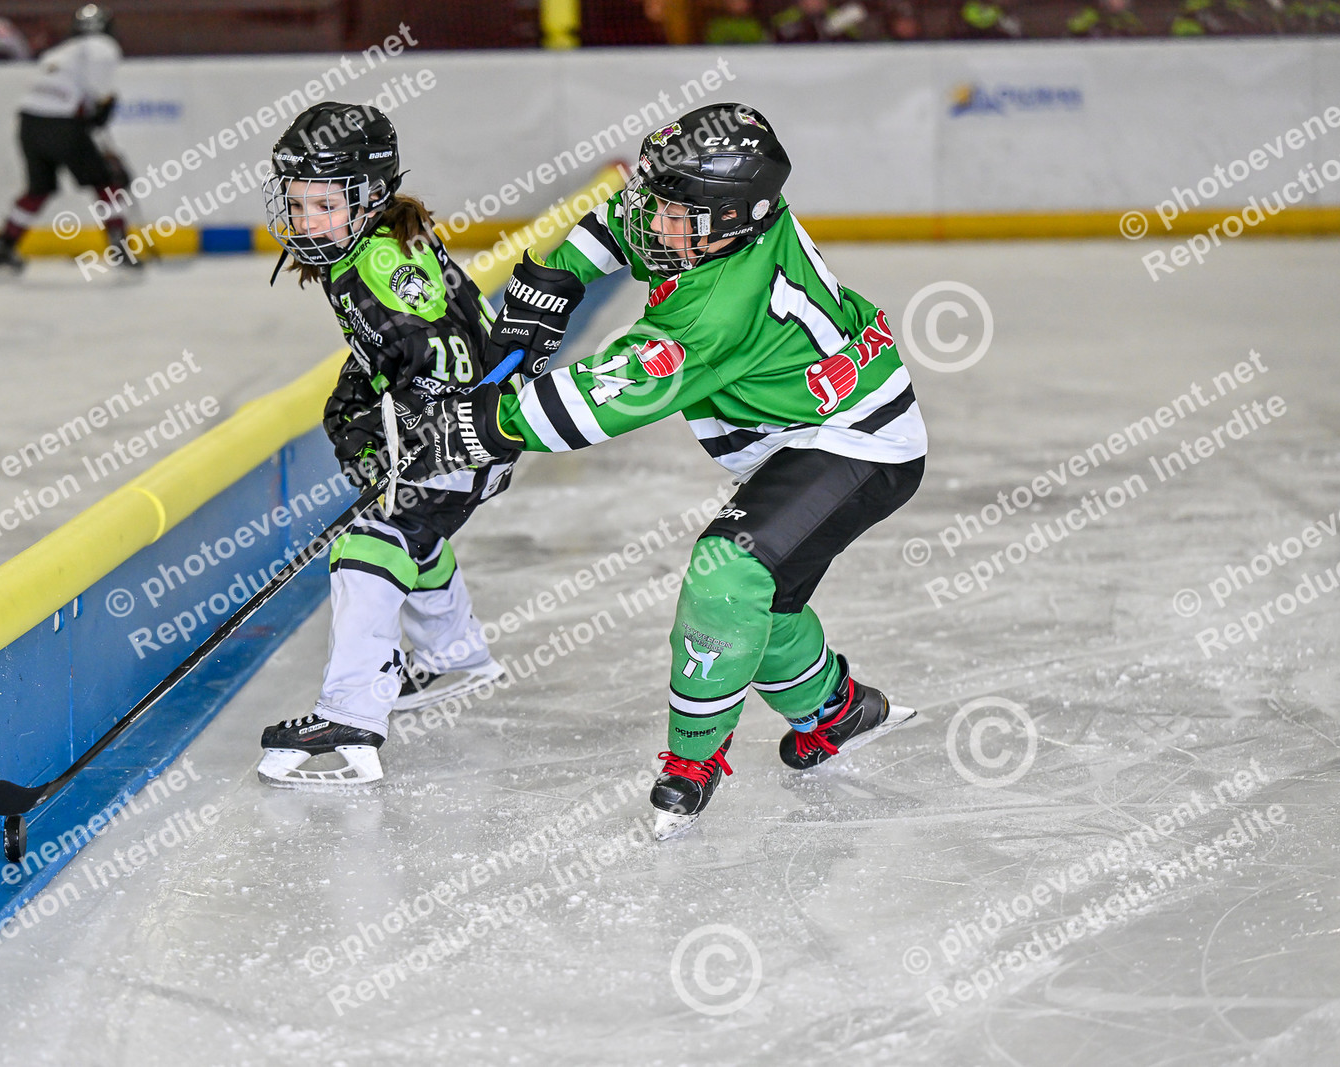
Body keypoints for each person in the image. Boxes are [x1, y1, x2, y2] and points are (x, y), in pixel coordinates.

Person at [392, 103, 927, 838]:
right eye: (659, 201)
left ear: (732, 221)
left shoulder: (716, 306)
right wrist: (555, 278)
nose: (653, 222)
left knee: (729, 573)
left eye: (676, 213)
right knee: (765, 606)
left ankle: (692, 761)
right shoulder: (707, 229)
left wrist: (478, 425)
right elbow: (623, 219)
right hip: (809, 425)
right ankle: (836, 711)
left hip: (858, 440)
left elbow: (605, 396)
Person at [253, 102, 575, 787]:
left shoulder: (383, 259)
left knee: (371, 542)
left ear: (369, 196)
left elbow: (444, 349)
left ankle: (350, 715)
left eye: (323, 205)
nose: (306, 221)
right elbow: (390, 344)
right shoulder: (365, 244)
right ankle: (453, 656)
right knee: (415, 532)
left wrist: (414, 419)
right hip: (471, 430)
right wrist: (358, 399)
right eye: (298, 203)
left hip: (466, 434)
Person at [0, 4, 128, 274]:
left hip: (29, 123)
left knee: (38, 189)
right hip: (63, 122)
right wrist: (103, 109)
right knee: (105, 184)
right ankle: (120, 248)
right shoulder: (103, 47)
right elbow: (99, 95)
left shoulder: (58, 52)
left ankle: (3, 247)